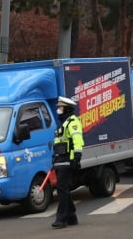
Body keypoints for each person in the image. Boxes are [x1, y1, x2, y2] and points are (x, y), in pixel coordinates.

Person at [51, 96, 84, 229]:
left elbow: (77, 140)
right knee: (64, 189)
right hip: (60, 160)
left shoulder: (73, 122)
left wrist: (76, 157)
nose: (59, 109)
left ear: (67, 108)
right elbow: (59, 142)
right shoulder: (63, 123)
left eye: (61, 107)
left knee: (62, 189)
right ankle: (71, 217)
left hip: (67, 160)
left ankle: (62, 218)